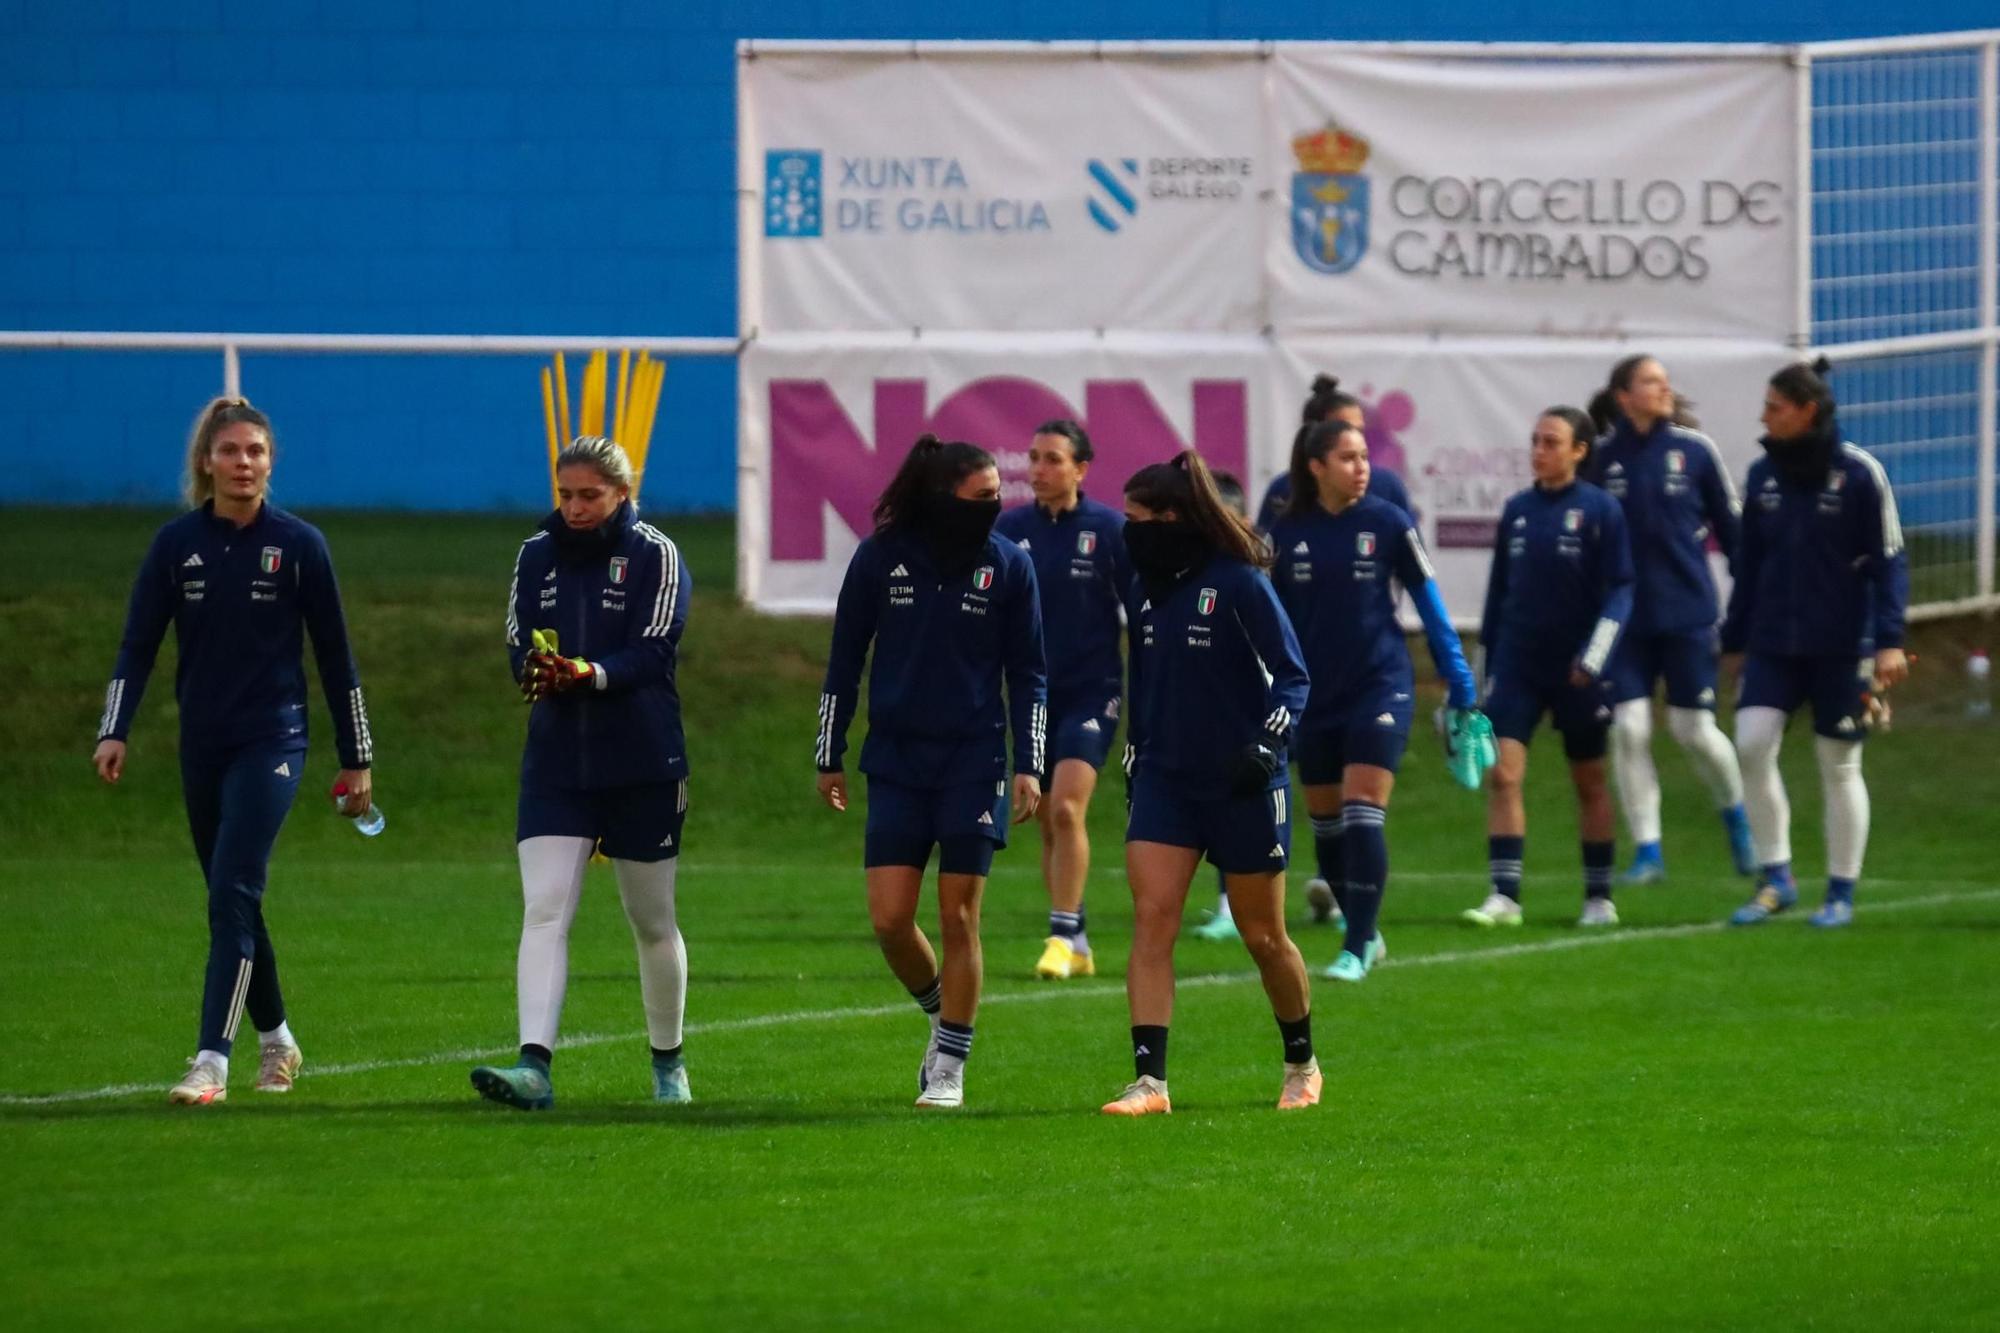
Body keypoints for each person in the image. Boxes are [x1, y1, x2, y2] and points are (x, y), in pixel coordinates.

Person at [93, 396, 374, 1106]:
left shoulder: (301, 545)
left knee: (232, 890)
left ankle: (210, 1060)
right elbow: (137, 643)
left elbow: (337, 658)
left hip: (274, 741)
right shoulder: (175, 545)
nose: (243, 463)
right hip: (203, 744)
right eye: (231, 451)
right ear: (206, 462)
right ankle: (277, 1038)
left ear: (270, 462)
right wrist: (114, 727)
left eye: (255, 451)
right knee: (233, 897)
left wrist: (357, 755)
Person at [817, 435, 1047, 1109]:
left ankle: (949, 1062)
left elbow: (1029, 673)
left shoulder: (1009, 567)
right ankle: (945, 1013)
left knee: (958, 914)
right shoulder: (880, 559)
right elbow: (843, 659)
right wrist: (829, 752)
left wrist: (1030, 763)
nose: (995, 508)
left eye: (999, 498)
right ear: (944, 498)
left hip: (975, 761)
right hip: (895, 760)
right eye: (982, 498)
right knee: (890, 919)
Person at [471, 436, 694, 1110]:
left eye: (589, 495)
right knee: (543, 909)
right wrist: (538, 671)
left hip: (643, 759)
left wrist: (587, 673)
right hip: (558, 761)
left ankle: (668, 1063)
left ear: (622, 493)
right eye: (565, 494)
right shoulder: (535, 554)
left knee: (651, 918)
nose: (573, 507)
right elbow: (519, 639)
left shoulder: (655, 553)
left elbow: (653, 650)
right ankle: (533, 1067)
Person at [1103, 451, 1316, 1116]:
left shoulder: (1240, 584)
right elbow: (1144, 679)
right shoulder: (1141, 588)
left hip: (1243, 782)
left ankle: (1301, 1063)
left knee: (1263, 936)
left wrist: (1268, 742)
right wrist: (1136, 752)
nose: (1127, 530)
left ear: (1171, 517)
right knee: (1151, 920)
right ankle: (1150, 1083)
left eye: (1137, 518)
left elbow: (1293, 676)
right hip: (1167, 780)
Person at [1267, 421, 1482, 977]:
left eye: (1363, 456)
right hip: (1313, 694)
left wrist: (1459, 683)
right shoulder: (1285, 531)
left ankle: (1357, 943)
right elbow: (1265, 618)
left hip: (1380, 685)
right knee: (1328, 827)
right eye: (1347, 458)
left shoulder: (1388, 523)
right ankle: (1365, 931)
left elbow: (1430, 608)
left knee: (1363, 812)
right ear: (1316, 466)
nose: (1361, 467)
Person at [1722, 360, 1908, 929]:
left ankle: (1840, 892)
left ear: (1806, 411)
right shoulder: (1762, 477)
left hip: (1842, 646)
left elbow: (1890, 562)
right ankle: (1776, 878)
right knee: (1750, 744)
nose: (1763, 416)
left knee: (1838, 764)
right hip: (1775, 642)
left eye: (1774, 406)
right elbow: (1747, 566)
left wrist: (1889, 642)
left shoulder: (1859, 475)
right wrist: (1734, 640)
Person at [1463, 408, 1636, 928]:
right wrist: (1478, 670)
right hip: (1517, 665)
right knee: (1502, 774)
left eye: (1552, 442)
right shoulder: (1517, 510)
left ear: (1579, 451)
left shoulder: (1601, 510)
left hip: (1578, 671)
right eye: (1536, 441)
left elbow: (1622, 589)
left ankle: (1598, 898)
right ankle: (1505, 897)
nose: (1539, 450)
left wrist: (1595, 656)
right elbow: (1497, 596)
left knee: (1589, 780)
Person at [1585, 354, 1753, 885]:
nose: (1662, 389)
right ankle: (1648, 852)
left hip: (1687, 614)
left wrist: (1747, 610)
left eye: (1663, 381)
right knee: (1629, 731)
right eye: (1649, 381)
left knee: (1694, 730)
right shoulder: (1602, 459)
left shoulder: (1694, 451)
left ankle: (1739, 818)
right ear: (1623, 396)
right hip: (1627, 623)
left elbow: (1732, 531)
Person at [992, 420, 1130, 981]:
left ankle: (1060, 933)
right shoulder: (1008, 529)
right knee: (1050, 820)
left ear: (1081, 469)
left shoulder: (1110, 530)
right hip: (1032, 696)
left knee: (1069, 807)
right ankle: (1078, 938)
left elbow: (1142, 608)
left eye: (1052, 458)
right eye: (1033, 458)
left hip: (1093, 692)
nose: (1039, 469)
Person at [1254, 374, 1413, 533]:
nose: (1355, 438)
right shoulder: (1281, 491)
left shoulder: (1387, 486)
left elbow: (1413, 551)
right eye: (1345, 429)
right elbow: (1264, 552)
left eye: (1360, 430)